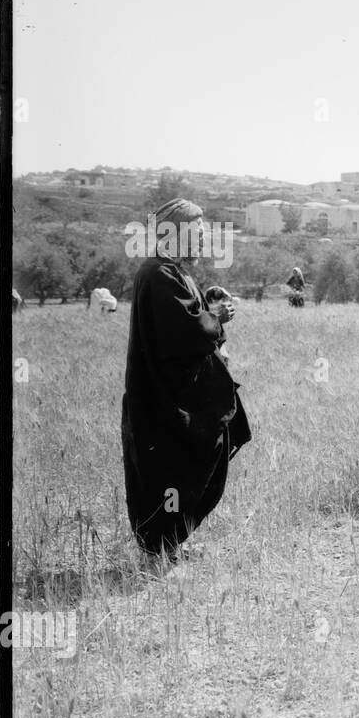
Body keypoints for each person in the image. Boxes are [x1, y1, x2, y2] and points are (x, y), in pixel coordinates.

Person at [120, 198, 252, 559]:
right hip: (165, 402)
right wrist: (216, 317)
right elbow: (186, 332)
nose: (203, 238)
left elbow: (190, 320)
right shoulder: (158, 274)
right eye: (197, 231)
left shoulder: (173, 272)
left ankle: (170, 544)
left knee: (195, 465)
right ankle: (161, 548)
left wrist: (209, 305)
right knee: (172, 473)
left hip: (178, 399)